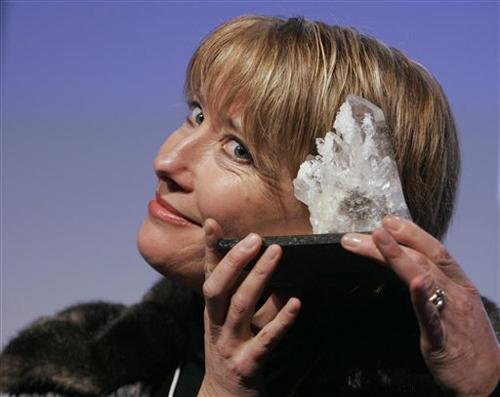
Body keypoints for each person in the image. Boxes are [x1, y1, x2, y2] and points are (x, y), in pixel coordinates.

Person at [1, 15, 499, 397]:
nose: (166, 160)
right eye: (196, 115)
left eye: (239, 149)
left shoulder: (456, 375)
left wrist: (482, 389)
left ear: (349, 214)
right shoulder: (81, 363)